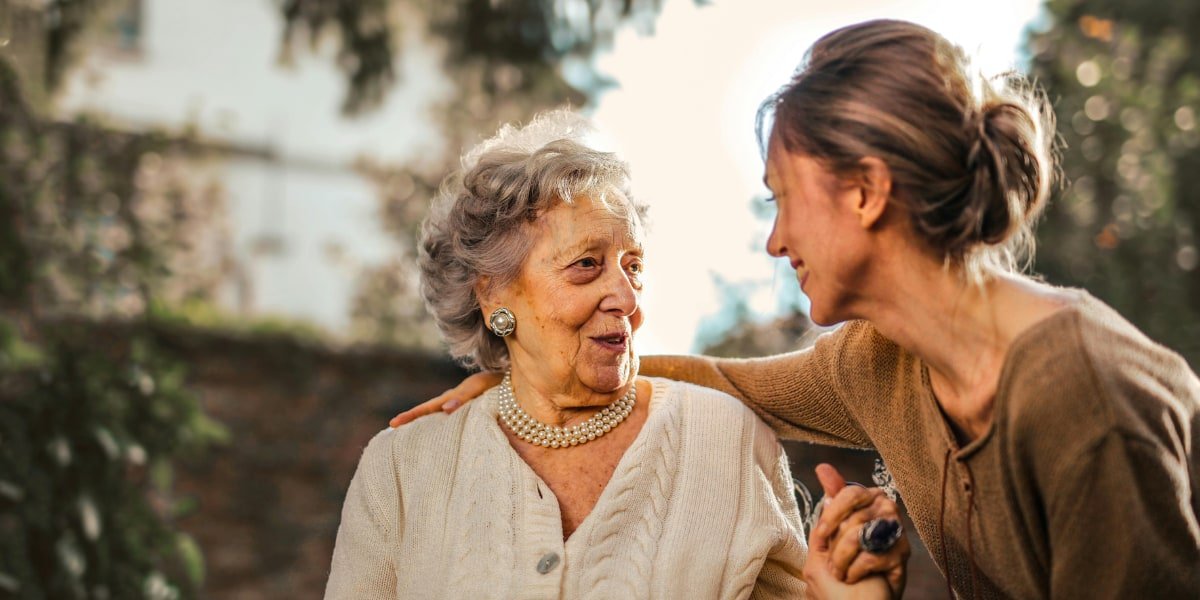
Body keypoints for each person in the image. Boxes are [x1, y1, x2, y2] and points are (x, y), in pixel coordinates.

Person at [392, 19, 1200, 599]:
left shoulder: (1082, 397)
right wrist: (531, 380)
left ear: (866, 191)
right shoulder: (879, 361)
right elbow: (724, 382)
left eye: (783, 200)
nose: (775, 241)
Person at [326, 111, 903, 598]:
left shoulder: (726, 439)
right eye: (586, 265)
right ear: (494, 293)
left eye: (634, 267)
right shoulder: (402, 469)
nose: (627, 300)